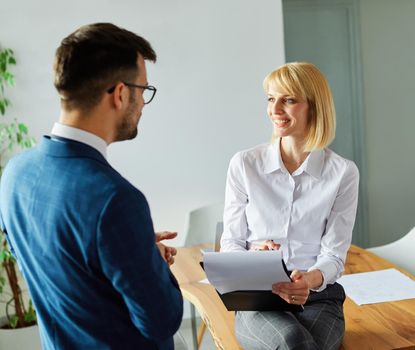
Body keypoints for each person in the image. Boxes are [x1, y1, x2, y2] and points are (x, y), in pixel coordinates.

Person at [0, 23, 183, 350]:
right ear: (120, 93)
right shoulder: (116, 200)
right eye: (143, 90)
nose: (142, 102)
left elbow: (52, 260)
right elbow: (161, 320)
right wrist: (150, 262)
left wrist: (131, 250)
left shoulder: (15, 173)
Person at [220, 62, 359, 350]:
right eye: (271, 99)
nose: (275, 109)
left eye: (289, 100)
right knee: (294, 341)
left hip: (319, 296)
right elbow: (231, 242)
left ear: (314, 106)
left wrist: (309, 279)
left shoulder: (343, 173)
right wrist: (254, 255)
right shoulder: (245, 164)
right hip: (257, 296)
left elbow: (334, 254)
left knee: (305, 344)